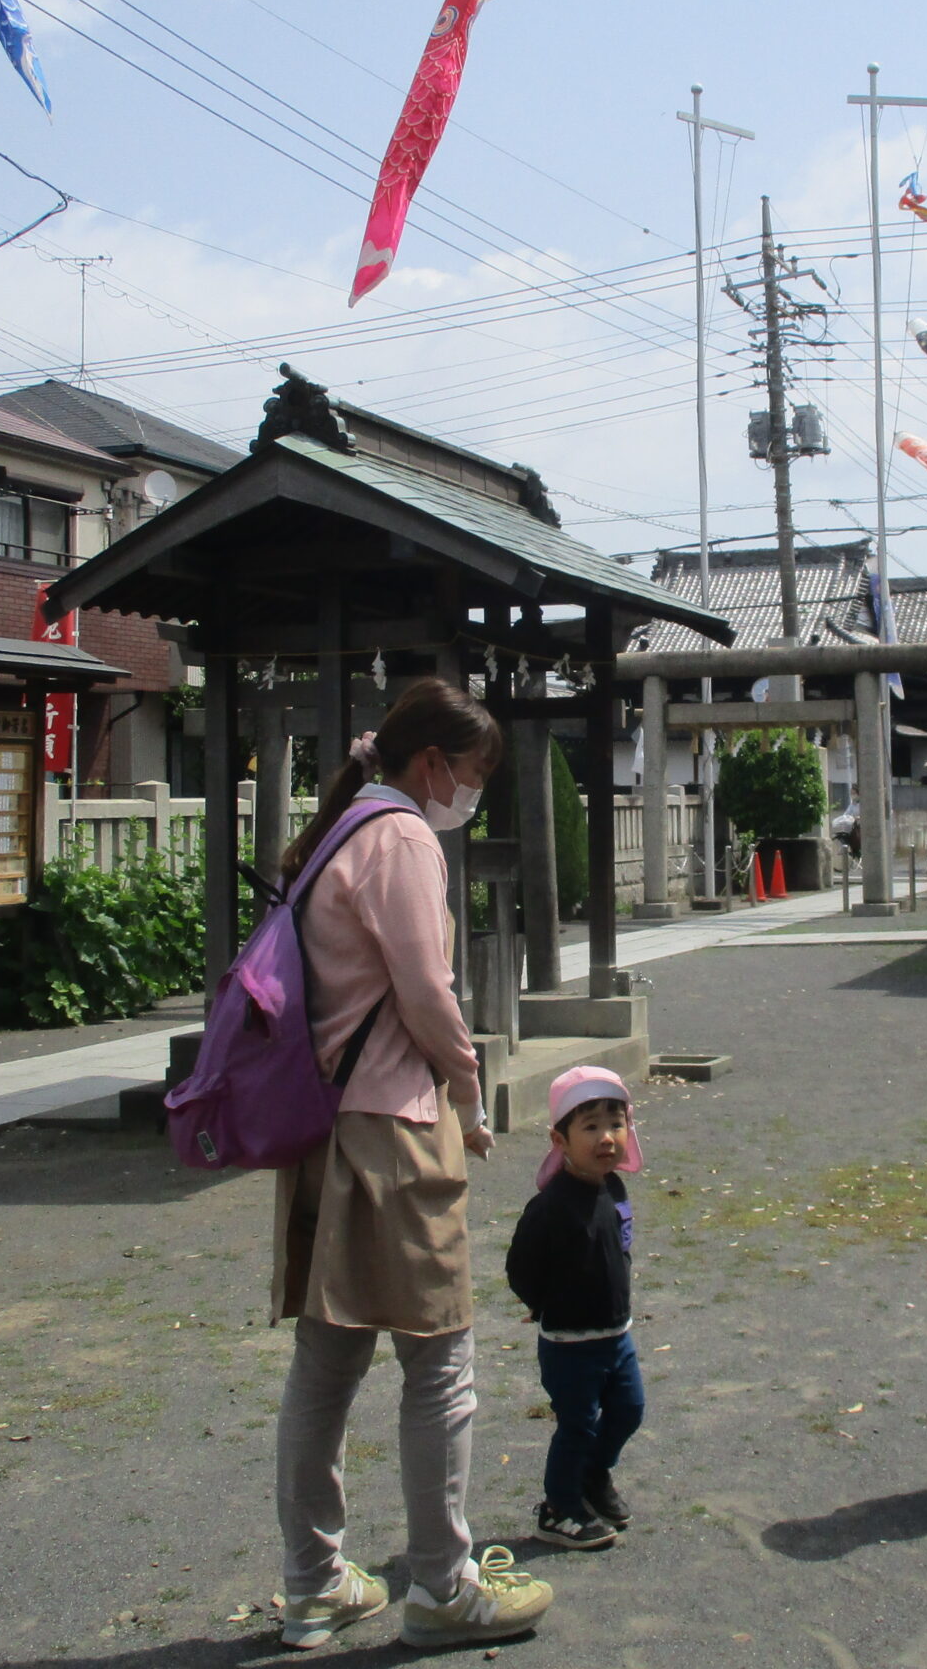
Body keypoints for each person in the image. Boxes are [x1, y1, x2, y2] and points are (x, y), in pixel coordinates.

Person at [268, 677, 554, 1653]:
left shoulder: (344, 831)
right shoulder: (401, 839)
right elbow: (428, 994)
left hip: (323, 1128)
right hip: (391, 1126)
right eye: (473, 776)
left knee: (327, 1365)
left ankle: (314, 1584)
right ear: (434, 764)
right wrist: (469, 1091)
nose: (472, 795)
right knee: (439, 1362)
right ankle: (442, 1587)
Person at [504, 1065, 647, 1551]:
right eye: (590, 1126)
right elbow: (521, 1266)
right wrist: (540, 1302)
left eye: (616, 1123)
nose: (606, 1137)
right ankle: (559, 1507)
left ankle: (593, 1476)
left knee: (629, 1410)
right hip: (569, 1344)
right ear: (560, 1139)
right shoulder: (550, 1207)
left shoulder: (615, 1189)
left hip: (616, 1336)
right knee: (578, 1423)